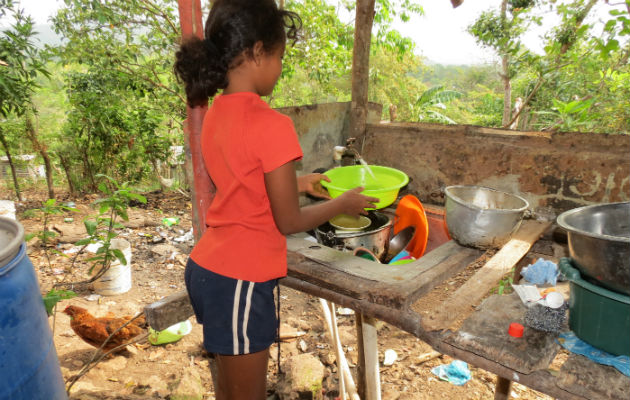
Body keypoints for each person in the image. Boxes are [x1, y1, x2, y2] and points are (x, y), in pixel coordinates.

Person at [173, 0, 378, 398]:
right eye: (280, 56)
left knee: (230, 392)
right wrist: (342, 204)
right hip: (240, 279)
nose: (281, 68)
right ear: (256, 52)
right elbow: (288, 222)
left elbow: (241, 180)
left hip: (210, 267)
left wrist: (302, 184)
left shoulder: (215, 112)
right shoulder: (272, 123)